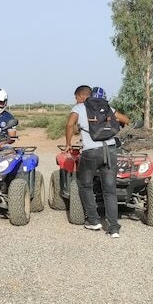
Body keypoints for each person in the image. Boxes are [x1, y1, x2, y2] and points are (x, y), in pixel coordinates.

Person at [64, 85, 130, 239]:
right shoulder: (107, 107)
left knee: (85, 185)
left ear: (82, 96)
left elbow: (69, 124)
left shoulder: (80, 107)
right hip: (111, 150)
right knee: (110, 190)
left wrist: (68, 143)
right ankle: (114, 229)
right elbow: (126, 120)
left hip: (91, 152)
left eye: (76, 97)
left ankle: (94, 220)